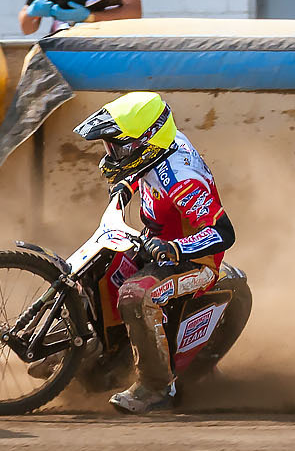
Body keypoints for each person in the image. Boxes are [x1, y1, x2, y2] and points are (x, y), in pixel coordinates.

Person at [66, 91, 240, 414]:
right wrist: (126, 186)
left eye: (117, 147)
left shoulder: (183, 180)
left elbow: (223, 233)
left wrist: (174, 248)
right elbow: (142, 168)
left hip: (193, 261)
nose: (111, 154)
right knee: (98, 271)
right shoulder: (158, 147)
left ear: (146, 143)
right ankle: (88, 351)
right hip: (155, 242)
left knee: (135, 295)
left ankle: (157, 387)